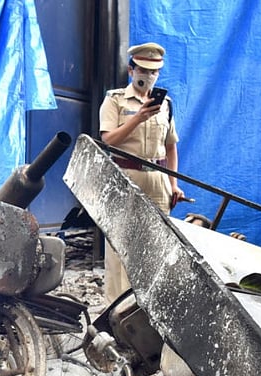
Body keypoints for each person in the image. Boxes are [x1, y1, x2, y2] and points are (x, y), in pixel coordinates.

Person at [98, 42, 186, 302]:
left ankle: (150, 308)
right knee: (120, 244)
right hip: (124, 178)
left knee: (157, 243)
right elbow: (108, 140)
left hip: (157, 180)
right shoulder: (114, 99)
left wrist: (173, 184)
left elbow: (171, 147)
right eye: (143, 70)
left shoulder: (166, 104)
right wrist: (138, 118)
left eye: (153, 72)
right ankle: (117, 309)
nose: (147, 77)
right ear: (131, 70)